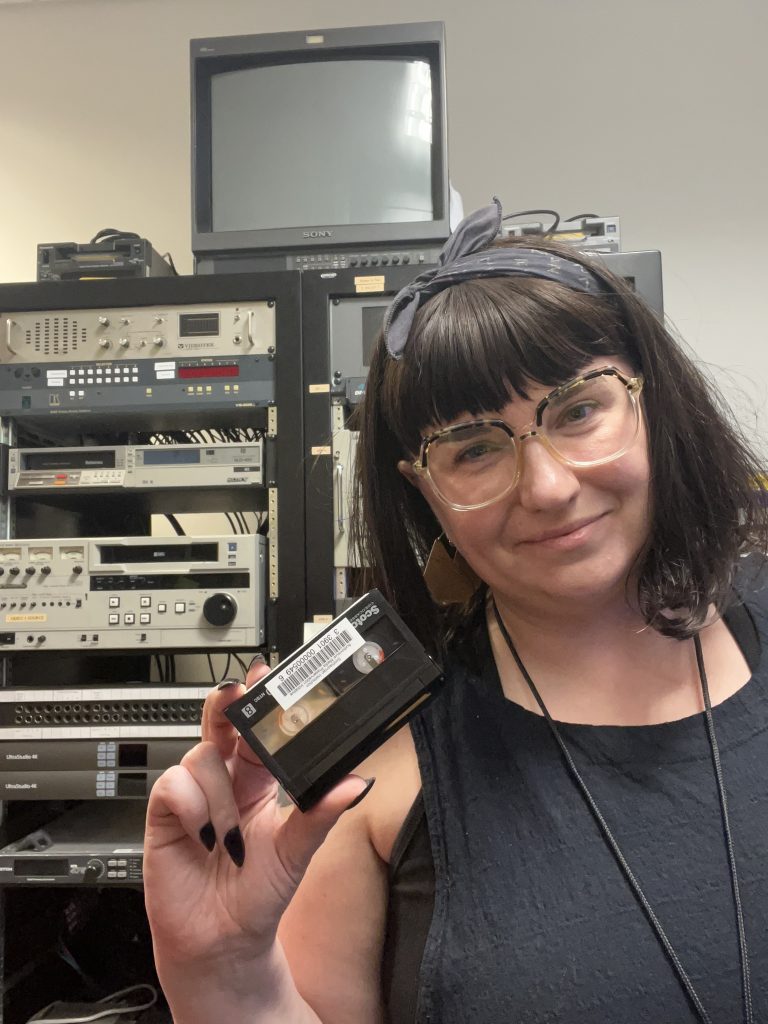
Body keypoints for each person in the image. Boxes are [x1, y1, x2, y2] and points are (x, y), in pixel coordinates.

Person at [143, 199, 768, 1024]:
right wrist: (222, 972)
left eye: (580, 408)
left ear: (651, 402)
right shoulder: (376, 766)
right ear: (423, 488)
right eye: (474, 449)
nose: (547, 487)